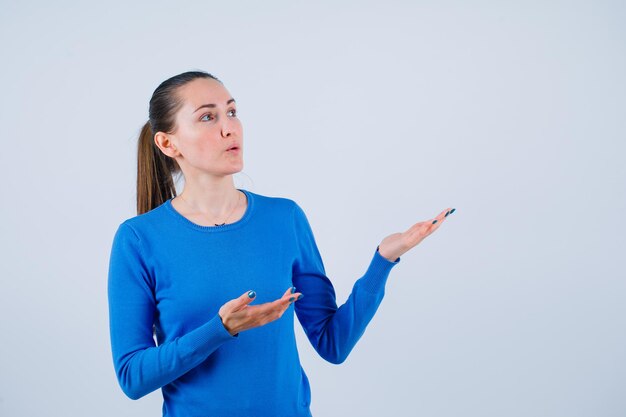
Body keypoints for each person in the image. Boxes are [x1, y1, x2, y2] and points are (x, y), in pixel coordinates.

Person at [107, 70, 455, 417]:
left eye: (231, 112)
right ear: (168, 143)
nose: (229, 127)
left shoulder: (283, 218)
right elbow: (132, 377)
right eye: (208, 117)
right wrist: (220, 329)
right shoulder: (138, 239)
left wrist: (383, 261)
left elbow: (333, 343)